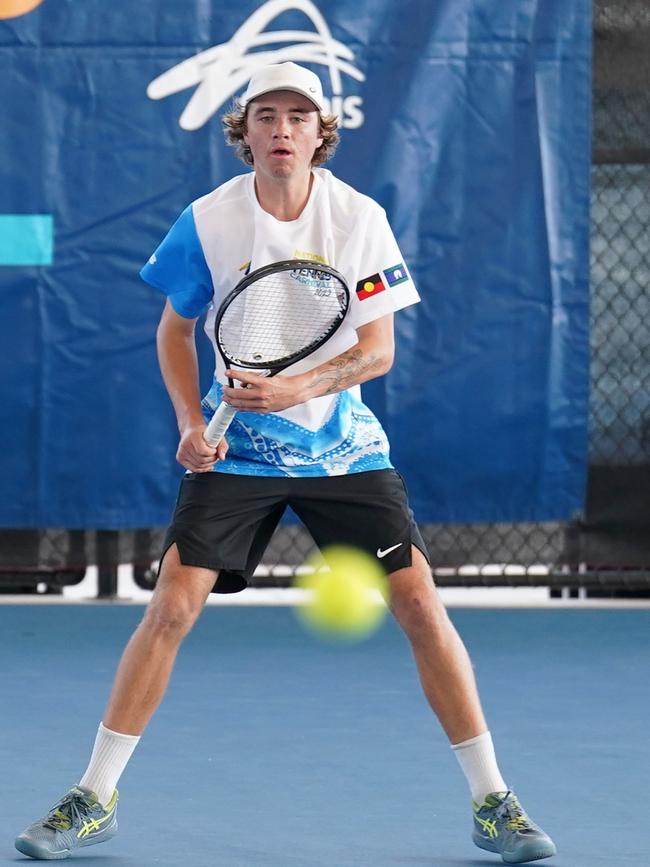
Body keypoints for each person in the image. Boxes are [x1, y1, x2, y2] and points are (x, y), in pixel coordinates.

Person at [15, 62, 556, 864]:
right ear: (245, 132)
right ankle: (93, 796)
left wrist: (302, 382)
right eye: (266, 114)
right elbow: (173, 331)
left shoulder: (358, 217)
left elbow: (378, 350)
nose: (282, 129)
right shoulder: (209, 220)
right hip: (240, 454)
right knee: (169, 607)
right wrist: (192, 421)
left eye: (299, 116)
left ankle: (493, 801)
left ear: (320, 133)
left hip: (344, 449)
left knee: (417, 603)